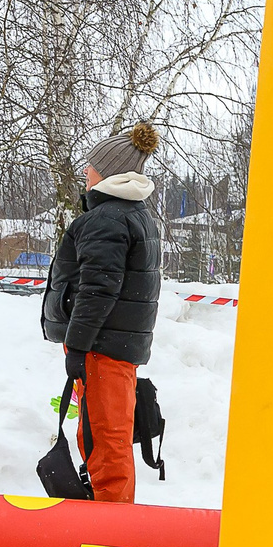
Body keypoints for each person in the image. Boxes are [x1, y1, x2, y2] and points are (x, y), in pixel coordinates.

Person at [41, 121, 162, 503]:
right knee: (102, 437)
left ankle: (111, 533)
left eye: (91, 165)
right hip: (113, 346)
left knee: (106, 445)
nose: (85, 171)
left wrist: (76, 346)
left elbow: (98, 290)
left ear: (106, 173)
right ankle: (107, 520)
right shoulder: (134, 214)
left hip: (101, 349)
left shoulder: (106, 219)